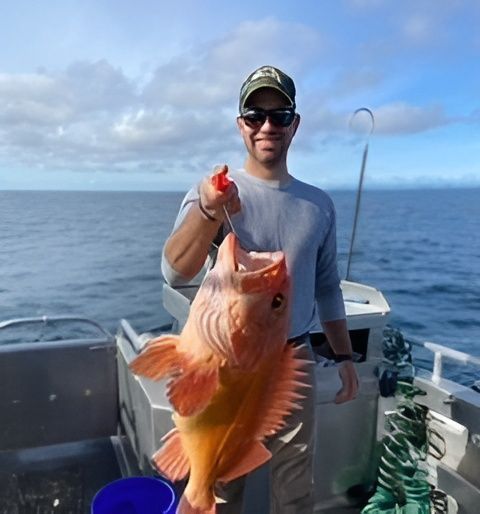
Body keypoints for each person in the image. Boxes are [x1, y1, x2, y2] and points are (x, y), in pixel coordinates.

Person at [161, 65, 359, 514]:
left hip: (294, 357)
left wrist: (344, 356)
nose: (267, 126)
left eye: (280, 115)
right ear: (240, 125)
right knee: (222, 483)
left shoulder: (319, 204)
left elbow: (327, 286)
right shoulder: (214, 192)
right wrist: (209, 212)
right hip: (226, 364)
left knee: (295, 487)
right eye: (254, 115)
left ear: (295, 124)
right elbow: (175, 272)